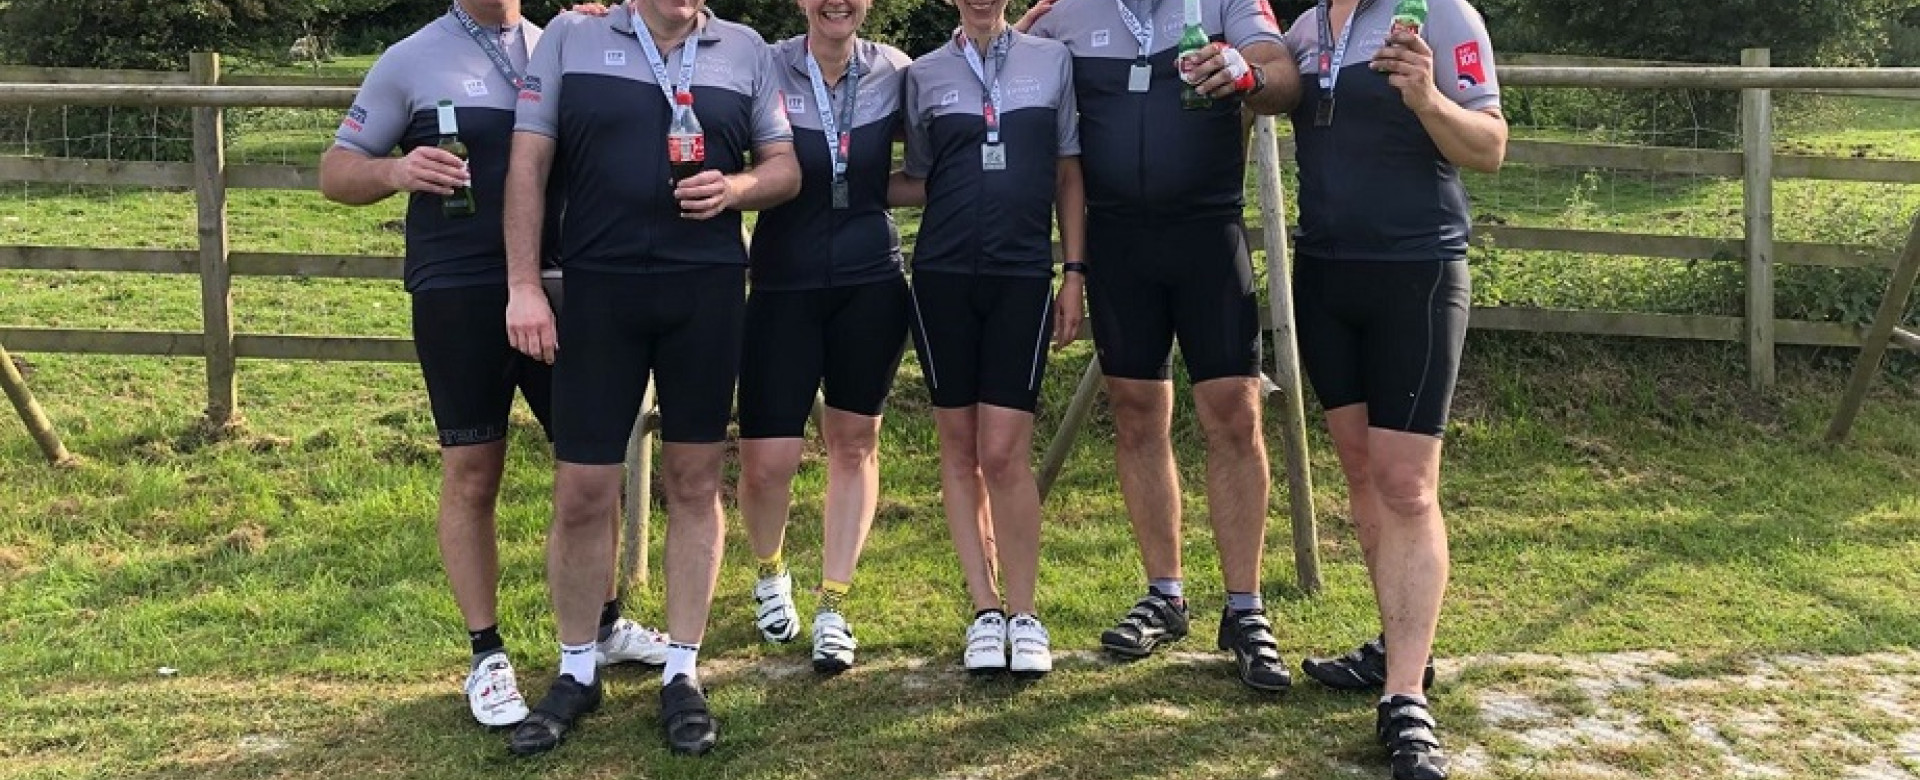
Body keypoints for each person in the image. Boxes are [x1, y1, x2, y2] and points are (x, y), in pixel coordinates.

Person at [316, 0, 667, 731]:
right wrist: (396, 168)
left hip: (563, 283)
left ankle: (602, 625)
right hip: (459, 288)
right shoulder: (411, 58)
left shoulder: (568, 41)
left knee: (592, 467)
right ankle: (486, 653)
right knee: (473, 470)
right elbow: (335, 172)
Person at [500, 0, 799, 757]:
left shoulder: (745, 49)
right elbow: (528, 163)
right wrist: (524, 283)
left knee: (695, 482)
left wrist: (736, 190)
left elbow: (785, 168)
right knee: (582, 490)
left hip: (705, 291)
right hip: (599, 290)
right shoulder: (572, 36)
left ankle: (683, 671)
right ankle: (577, 669)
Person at [1023, 0, 1303, 691]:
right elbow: (994, 60)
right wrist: (1013, 31)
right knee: (1136, 416)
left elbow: (1284, 75)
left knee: (1235, 416)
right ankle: (1165, 595)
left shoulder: (1227, 3)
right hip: (1117, 242)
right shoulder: (1066, 14)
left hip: (1208, 235)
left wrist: (1246, 73)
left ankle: (1245, 608)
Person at [1283, 0, 1506, 777]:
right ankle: (1396, 644)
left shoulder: (1442, 15)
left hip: (1418, 270)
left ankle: (1405, 697)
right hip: (1324, 274)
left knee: (1407, 485)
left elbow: (1490, 147)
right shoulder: (1304, 29)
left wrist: (1427, 97)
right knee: (1359, 468)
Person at [893, 0, 1085, 679]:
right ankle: (984, 609)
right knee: (959, 448)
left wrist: (1074, 273)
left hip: (1020, 276)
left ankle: (1024, 612)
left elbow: (1068, 171)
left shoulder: (1051, 60)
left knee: (1003, 452)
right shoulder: (923, 73)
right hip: (942, 277)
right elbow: (921, 175)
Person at [737, 0, 913, 676]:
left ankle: (834, 602)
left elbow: (933, 157)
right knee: (767, 460)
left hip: (870, 283)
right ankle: (770, 571)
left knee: (854, 442)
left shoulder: (895, 69)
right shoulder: (765, 65)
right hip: (782, 283)